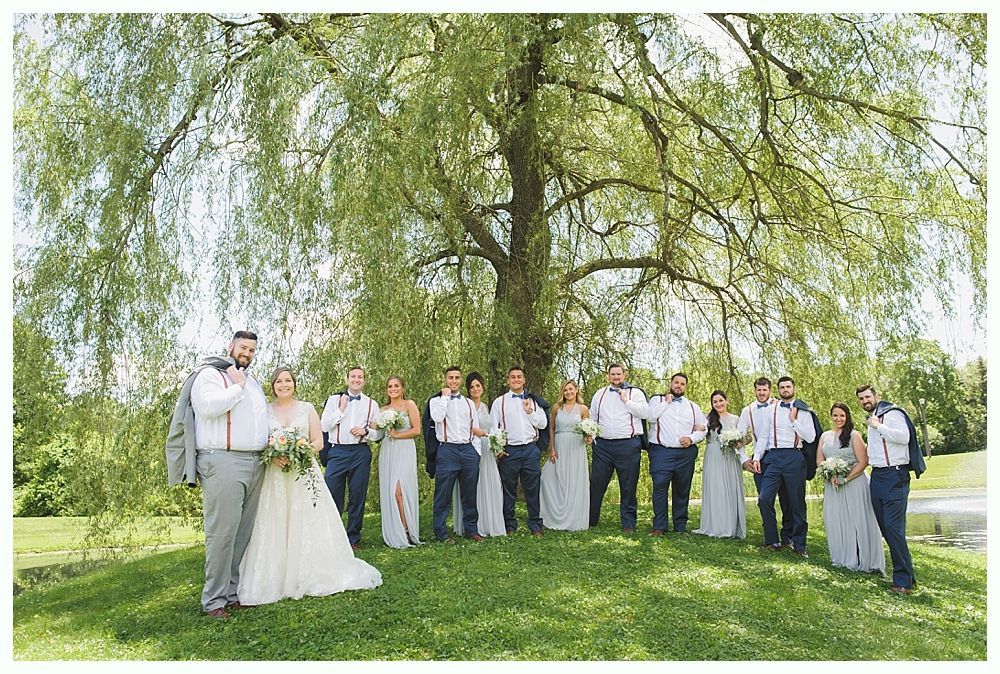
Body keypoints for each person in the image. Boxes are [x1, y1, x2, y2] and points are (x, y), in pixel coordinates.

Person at [239, 368, 382, 604]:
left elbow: (319, 441)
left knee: (306, 518)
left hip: (302, 472)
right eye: (279, 381)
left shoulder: (306, 408)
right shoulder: (264, 410)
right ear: (273, 385)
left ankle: (309, 570)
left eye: (288, 381)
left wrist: (299, 450)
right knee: (274, 519)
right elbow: (260, 439)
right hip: (275, 474)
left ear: (294, 384)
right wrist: (273, 454)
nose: (283, 385)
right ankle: (275, 573)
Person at [189, 330, 269, 619]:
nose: (247, 354)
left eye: (252, 350)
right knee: (222, 533)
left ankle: (233, 594)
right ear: (231, 346)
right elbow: (208, 409)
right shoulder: (210, 376)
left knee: (242, 533)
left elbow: (260, 418)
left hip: (255, 462)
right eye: (243, 347)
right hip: (222, 460)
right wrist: (236, 386)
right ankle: (213, 601)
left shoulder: (254, 382)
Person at [856, 384, 926, 594]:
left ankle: (903, 583)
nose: (864, 401)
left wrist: (878, 426)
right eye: (861, 398)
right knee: (887, 529)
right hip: (877, 476)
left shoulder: (892, 414)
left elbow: (904, 438)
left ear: (877, 396)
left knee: (893, 528)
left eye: (867, 396)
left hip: (894, 475)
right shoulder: (872, 419)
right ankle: (908, 576)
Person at [752, 376, 821, 558]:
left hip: (794, 456)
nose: (785, 390)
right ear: (778, 390)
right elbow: (763, 436)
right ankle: (772, 540)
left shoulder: (803, 411)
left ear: (794, 388)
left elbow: (811, 437)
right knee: (764, 498)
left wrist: (794, 420)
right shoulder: (770, 410)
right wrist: (757, 457)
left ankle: (799, 545)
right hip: (773, 456)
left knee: (796, 502)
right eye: (782, 387)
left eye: (788, 386)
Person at [816, 402, 884, 574]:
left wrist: (845, 479)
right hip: (833, 485)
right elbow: (819, 460)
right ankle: (843, 556)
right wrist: (830, 476)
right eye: (835, 415)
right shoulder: (824, 436)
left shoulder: (854, 435)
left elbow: (863, 462)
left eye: (842, 416)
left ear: (847, 417)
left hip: (854, 483)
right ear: (831, 416)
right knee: (837, 519)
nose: (839, 419)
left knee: (857, 519)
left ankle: (863, 557)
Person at [320, 366, 379, 550]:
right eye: (353, 376)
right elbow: (324, 425)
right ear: (347, 379)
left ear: (364, 381)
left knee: (357, 495)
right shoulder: (334, 400)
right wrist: (341, 410)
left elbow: (379, 434)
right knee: (332, 494)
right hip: (337, 452)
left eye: (360, 377)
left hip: (360, 452)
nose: (356, 379)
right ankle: (333, 538)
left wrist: (366, 431)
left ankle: (353, 538)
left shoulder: (372, 404)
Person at [589, 363, 650, 533]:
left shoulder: (635, 393)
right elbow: (593, 417)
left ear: (624, 375)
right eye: (613, 374)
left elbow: (645, 413)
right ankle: (590, 519)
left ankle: (628, 523)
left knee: (628, 485)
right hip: (603, 446)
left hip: (628, 445)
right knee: (597, 483)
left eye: (618, 374)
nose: (616, 377)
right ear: (608, 376)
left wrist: (627, 401)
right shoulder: (599, 394)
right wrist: (592, 436)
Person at [645, 372, 707, 535]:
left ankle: (680, 526)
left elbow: (702, 428)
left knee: (682, 490)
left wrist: (692, 438)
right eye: (676, 383)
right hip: (661, 452)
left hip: (685, 454)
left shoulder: (693, 407)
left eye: (682, 384)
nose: (679, 386)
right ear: (670, 384)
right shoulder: (656, 400)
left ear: (685, 387)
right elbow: (650, 417)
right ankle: (660, 526)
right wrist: (666, 402)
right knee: (659, 487)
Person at [490, 366, 548, 537]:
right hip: (510, 451)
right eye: (512, 377)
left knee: (533, 488)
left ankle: (535, 525)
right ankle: (509, 524)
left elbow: (543, 424)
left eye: (519, 377)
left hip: (530, 449)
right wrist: (498, 449)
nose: (516, 379)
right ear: (508, 381)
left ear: (524, 380)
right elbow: (494, 428)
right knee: (508, 489)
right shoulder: (499, 402)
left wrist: (530, 412)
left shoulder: (534, 401)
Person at [429, 365, 485, 542]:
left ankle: (471, 530)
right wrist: (445, 397)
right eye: (451, 378)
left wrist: (476, 452)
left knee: (470, 493)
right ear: (446, 380)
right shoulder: (436, 401)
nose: (454, 381)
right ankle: (441, 532)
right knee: (443, 493)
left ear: (461, 380)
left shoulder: (468, 403)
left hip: (468, 450)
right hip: (447, 450)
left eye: (457, 378)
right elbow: (437, 418)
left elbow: (474, 428)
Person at [737, 377, 793, 548]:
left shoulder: (779, 406)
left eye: (765, 390)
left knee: (786, 497)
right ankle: (771, 539)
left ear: (770, 390)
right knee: (764, 499)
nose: (761, 393)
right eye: (759, 390)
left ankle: (788, 537)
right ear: (754, 390)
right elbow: (737, 437)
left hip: (781, 454)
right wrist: (744, 459)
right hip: (759, 459)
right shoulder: (747, 411)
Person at [452, 372, 506, 537]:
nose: (475, 389)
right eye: (472, 387)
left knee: (489, 483)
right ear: (468, 389)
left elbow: (490, 428)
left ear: (482, 386)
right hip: (471, 447)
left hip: (487, 449)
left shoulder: (485, 407)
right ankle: (474, 525)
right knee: (473, 486)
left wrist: (497, 444)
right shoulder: (465, 405)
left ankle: (488, 521)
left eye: (478, 386)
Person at [372, 376, 422, 548]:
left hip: (405, 448)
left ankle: (407, 531)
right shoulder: (382, 409)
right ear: (387, 390)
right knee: (390, 490)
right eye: (390, 386)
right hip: (388, 450)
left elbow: (416, 430)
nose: (393, 389)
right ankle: (396, 530)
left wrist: (397, 434)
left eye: (396, 386)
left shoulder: (410, 405)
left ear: (402, 388)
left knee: (399, 491)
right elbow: (375, 431)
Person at [539, 380, 592, 531]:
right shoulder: (557, 408)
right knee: (548, 477)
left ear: (576, 390)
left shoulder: (583, 409)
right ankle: (552, 515)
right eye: (565, 390)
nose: (568, 392)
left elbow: (587, 430)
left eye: (570, 389)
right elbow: (552, 428)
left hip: (576, 447)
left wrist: (589, 437)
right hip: (560, 445)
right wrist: (552, 448)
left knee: (573, 480)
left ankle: (573, 519)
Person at [693, 390, 746, 539]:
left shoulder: (735, 419)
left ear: (726, 401)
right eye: (715, 402)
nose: (718, 404)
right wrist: (696, 429)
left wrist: (737, 443)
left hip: (729, 456)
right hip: (713, 455)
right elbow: (699, 432)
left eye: (721, 400)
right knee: (716, 488)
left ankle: (731, 526)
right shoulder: (707, 419)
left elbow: (747, 438)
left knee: (730, 487)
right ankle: (716, 525)